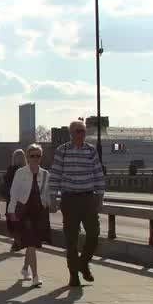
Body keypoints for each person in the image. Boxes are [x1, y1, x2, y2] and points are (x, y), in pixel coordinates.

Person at [50, 120, 104, 287]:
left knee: (94, 234)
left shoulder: (90, 151)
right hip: (69, 199)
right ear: (71, 133)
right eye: (78, 131)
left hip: (88, 198)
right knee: (71, 239)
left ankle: (83, 263)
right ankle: (74, 275)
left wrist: (100, 196)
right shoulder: (62, 151)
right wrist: (53, 197)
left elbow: (97, 173)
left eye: (83, 131)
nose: (81, 134)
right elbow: (55, 174)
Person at [8, 143, 51, 288]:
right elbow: (14, 193)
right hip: (24, 211)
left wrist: (51, 205)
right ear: (27, 156)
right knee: (31, 243)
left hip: (39, 212)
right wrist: (11, 211)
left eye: (38, 156)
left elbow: (47, 194)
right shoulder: (20, 173)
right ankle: (36, 277)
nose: (35, 159)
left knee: (32, 244)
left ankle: (25, 268)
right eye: (32, 156)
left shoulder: (45, 174)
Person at [0, 149, 27, 252]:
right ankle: (18, 242)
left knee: (12, 222)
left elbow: (5, 181)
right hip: (21, 200)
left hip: (13, 200)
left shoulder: (12, 170)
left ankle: (17, 242)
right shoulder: (26, 170)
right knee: (18, 222)